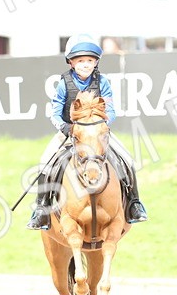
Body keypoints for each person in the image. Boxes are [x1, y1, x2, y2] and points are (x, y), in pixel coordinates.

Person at [26, 33, 148, 230]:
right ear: (71, 63)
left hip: (97, 133)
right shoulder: (64, 83)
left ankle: (134, 204)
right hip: (70, 133)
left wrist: (101, 126)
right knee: (45, 161)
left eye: (90, 60)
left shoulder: (103, 82)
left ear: (96, 62)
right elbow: (55, 112)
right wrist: (65, 127)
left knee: (127, 158)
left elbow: (111, 110)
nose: (85, 64)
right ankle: (42, 210)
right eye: (80, 60)